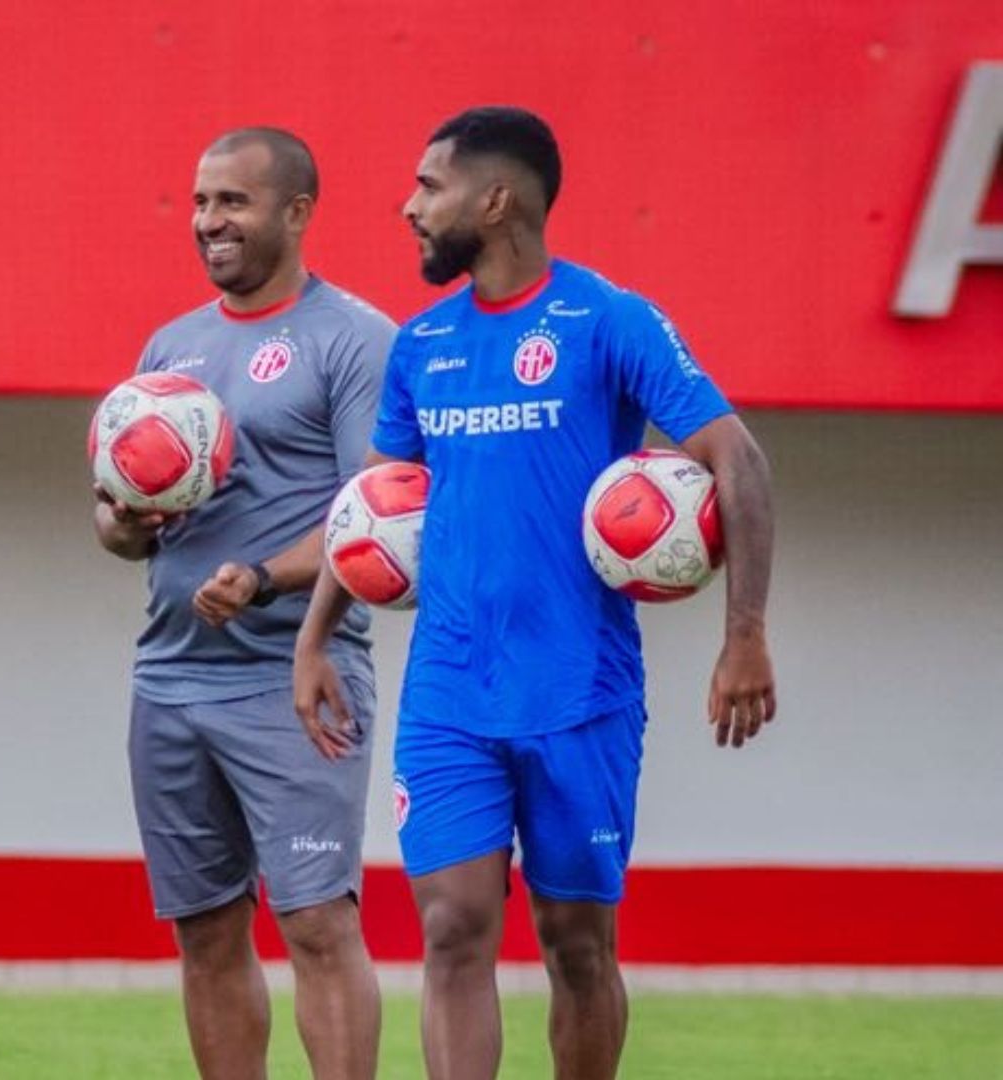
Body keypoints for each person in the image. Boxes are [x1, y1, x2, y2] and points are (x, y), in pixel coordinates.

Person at [293, 106, 778, 1079]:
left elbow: (739, 458)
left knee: (577, 945)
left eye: (430, 187)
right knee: (452, 929)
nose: (409, 207)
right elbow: (376, 515)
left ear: (497, 198)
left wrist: (746, 635)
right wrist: (314, 639)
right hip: (451, 693)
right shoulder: (423, 346)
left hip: (579, 692)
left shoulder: (608, 321)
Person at [94, 128, 395, 1079]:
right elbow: (118, 522)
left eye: (233, 202)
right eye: (199, 203)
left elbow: (373, 517)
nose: (209, 222)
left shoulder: (355, 339)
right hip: (171, 676)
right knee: (206, 933)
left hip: (296, 678)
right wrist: (125, 526)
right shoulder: (171, 347)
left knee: (315, 919)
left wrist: (263, 576)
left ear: (297, 212)